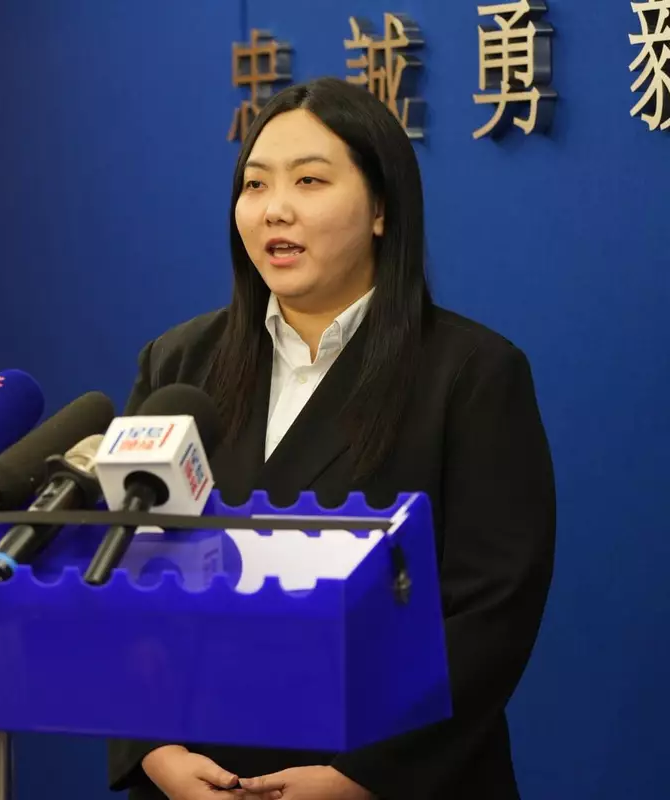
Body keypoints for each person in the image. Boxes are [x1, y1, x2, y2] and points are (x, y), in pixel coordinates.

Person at [106, 76, 556, 800]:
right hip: (194, 778)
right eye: (255, 184)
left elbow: (489, 614)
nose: (274, 208)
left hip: (391, 779)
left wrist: (360, 777)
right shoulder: (178, 364)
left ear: (381, 208)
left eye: (309, 181)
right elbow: (123, 569)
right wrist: (151, 748)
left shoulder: (472, 373)